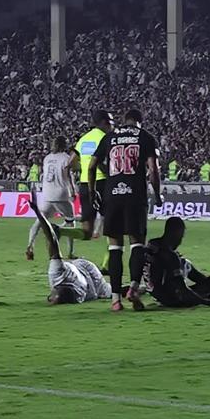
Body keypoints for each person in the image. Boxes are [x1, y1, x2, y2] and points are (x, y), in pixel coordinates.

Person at [90, 108, 163, 311]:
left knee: (115, 247)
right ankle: (132, 287)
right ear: (139, 121)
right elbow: (153, 170)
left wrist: (92, 192)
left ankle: (115, 300)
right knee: (137, 244)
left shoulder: (111, 137)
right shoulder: (146, 137)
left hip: (112, 196)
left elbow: (92, 165)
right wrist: (157, 195)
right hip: (135, 196)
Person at [58, 110, 114, 271]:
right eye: (110, 122)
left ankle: (59, 231)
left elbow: (69, 164)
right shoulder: (106, 138)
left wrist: (82, 168)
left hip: (84, 184)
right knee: (112, 227)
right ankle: (106, 265)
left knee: (87, 231)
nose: (112, 125)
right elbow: (103, 162)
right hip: (102, 183)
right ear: (103, 122)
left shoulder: (84, 139)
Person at [28, 197, 111, 305]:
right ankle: (137, 286)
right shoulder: (77, 292)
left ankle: (135, 286)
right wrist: (38, 212)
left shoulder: (57, 274)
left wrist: (38, 213)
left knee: (111, 291)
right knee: (111, 291)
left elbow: (52, 241)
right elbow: (52, 241)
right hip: (89, 273)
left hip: (83, 271)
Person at [26, 136, 77, 261]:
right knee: (71, 222)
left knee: (39, 221)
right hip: (61, 194)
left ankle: (30, 246)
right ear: (64, 145)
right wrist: (73, 190)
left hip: (48, 193)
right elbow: (67, 175)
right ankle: (70, 252)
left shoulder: (47, 158)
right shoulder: (66, 158)